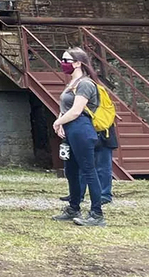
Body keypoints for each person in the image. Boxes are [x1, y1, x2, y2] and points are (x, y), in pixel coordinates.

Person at [51, 48, 106, 226]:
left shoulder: (85, 84)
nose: (62, 63)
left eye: (66, 60)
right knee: (71, 171)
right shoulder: (72, 83)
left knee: (89, 170)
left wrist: (57, 122)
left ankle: (97, 214)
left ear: (77, 63)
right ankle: (73, 207)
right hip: (70, 130)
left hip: (81, 129)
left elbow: (76, 111)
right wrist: (61, 121)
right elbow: (66, 108)